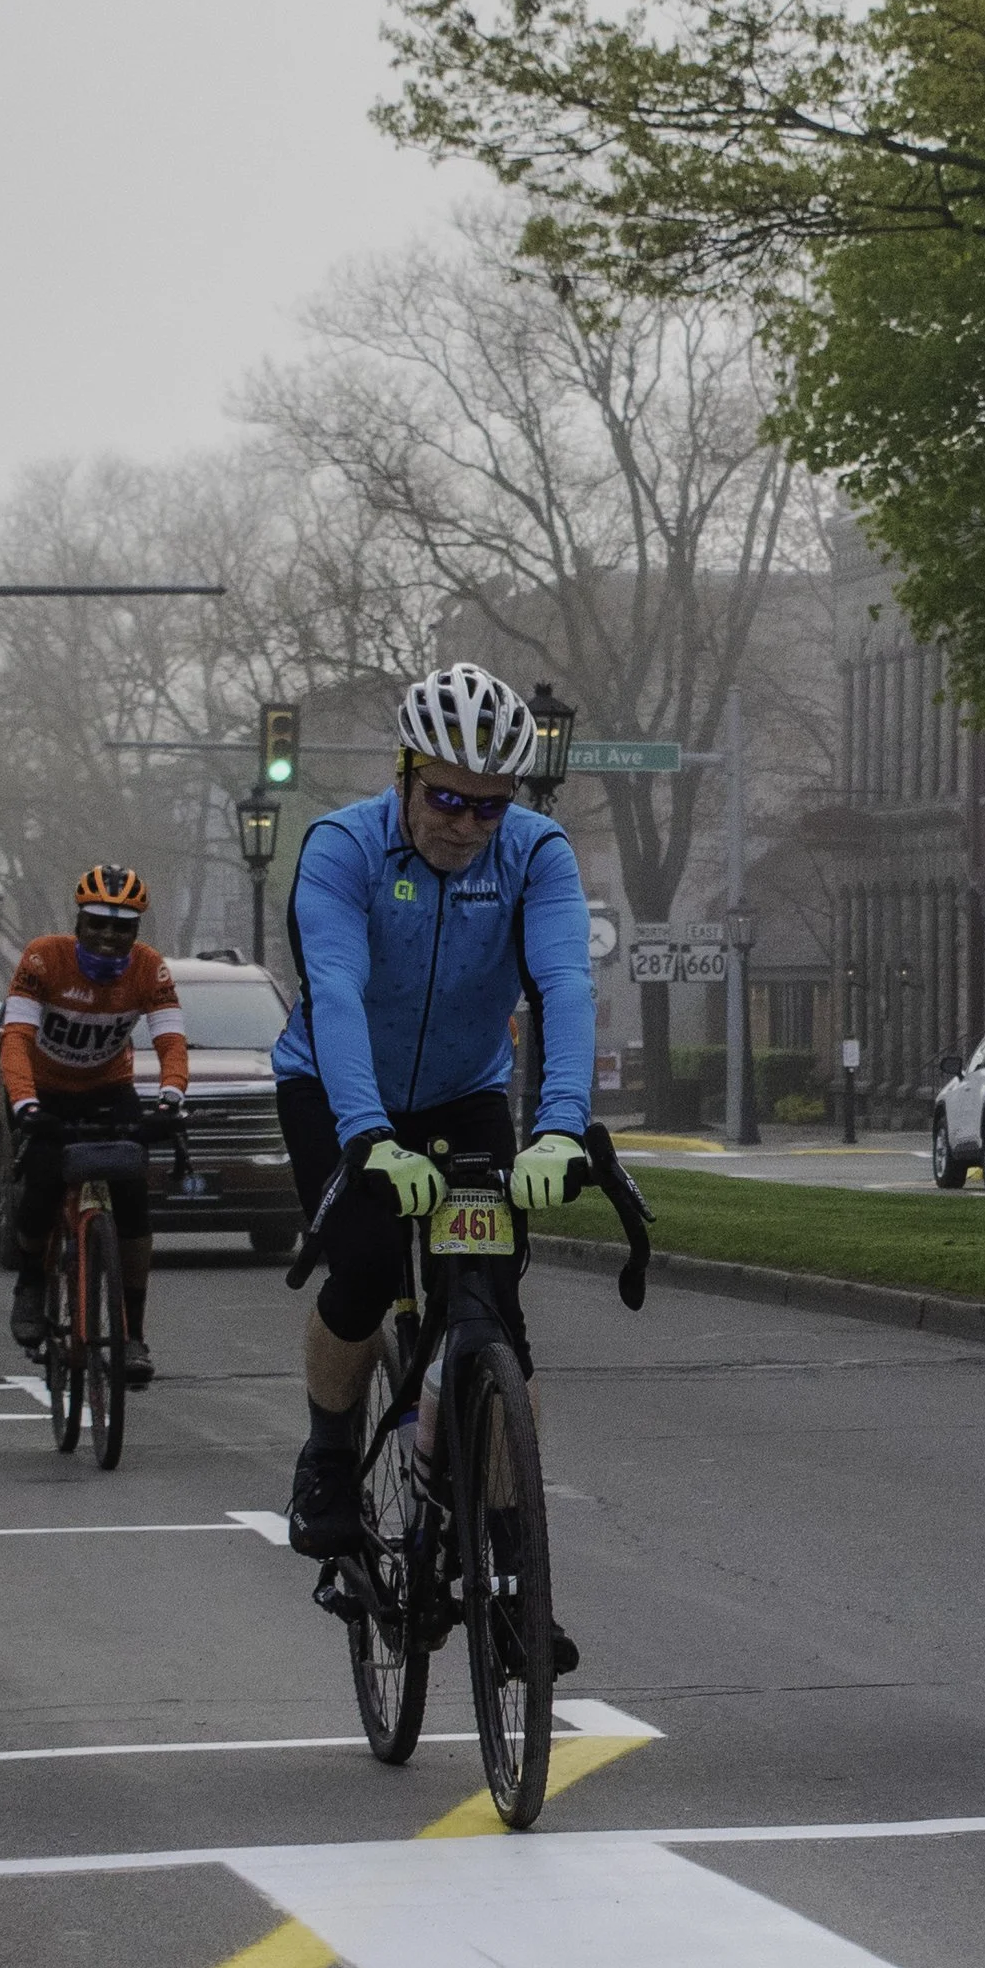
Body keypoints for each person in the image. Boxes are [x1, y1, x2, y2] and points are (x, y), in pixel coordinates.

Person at [272, 662, 595, 1637]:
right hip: (332, 1084)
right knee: (366, 1264)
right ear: (405, 774)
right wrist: (367, 1136)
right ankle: (331, 1451)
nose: (465, 822)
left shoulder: (537, 856)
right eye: (447, 797)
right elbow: (332, 992)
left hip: (461, 1091)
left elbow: (565, 986)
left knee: (493, 1303)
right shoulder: (342, 848)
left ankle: (510, 1565)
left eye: (489, 806)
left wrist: (562, 1127)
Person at [1, 864, 190, 1384]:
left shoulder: (149, 969)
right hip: (42, 1092)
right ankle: (31, 1284)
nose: (109, 937)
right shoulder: (44, 957)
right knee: (41, 1184)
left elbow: (170, 1040)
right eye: (98, 924)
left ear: (136, 932)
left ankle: (132, 1335)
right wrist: (26, 1106)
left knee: (131, 1200)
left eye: (123, 927)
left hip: (108, 1089)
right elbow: (15, 1038)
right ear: (78, 924)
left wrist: (170, 1100)